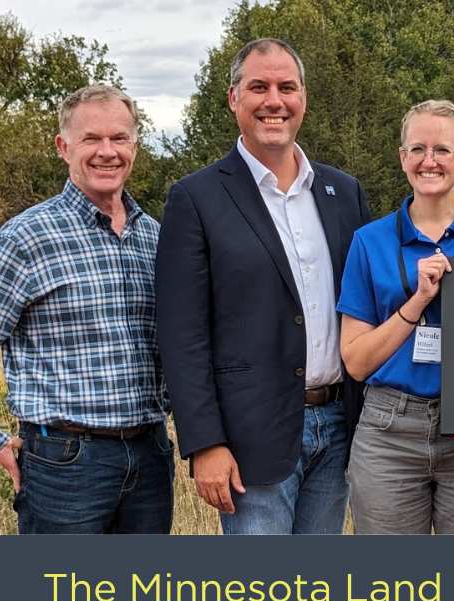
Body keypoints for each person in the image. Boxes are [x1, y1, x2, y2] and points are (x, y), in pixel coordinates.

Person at [155, 38, 371, 535]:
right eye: (258, 87)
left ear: (303, 98)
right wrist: (205, 443)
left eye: (286, 87)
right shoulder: (195, 197)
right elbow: (182, 334)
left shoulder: (344, 192)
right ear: (234, 98)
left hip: (338, 426)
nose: (273, 101)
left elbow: (366, 307)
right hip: (250, 438)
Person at [0, 85, 172, 534]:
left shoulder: (158, 239)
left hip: (150, 456)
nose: (107, 152)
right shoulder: (26, 238)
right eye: (91, 139)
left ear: (134, 145)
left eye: (119, 138)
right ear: (63, 146)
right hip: (65, 461)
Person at [337, 100, 454, 534]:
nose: (429, 161)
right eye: (417, 148)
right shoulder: (369, 242)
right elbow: (357, 362)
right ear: (402, 158)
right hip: (389, 432)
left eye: (442, 149)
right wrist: (417, 300)